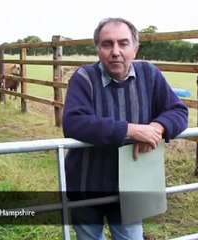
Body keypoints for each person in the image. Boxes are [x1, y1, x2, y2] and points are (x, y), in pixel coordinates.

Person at [62, 17, 189, 240]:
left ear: (135, 48)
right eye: (107, 44)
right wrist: (131, 130)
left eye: (123, 43)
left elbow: (179, 111)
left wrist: (157, 127)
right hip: (87, 183)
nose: (115, 51)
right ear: (98, 49)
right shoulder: (84, 78)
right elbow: (73, 122)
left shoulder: (149, 75)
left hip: (132, 185)